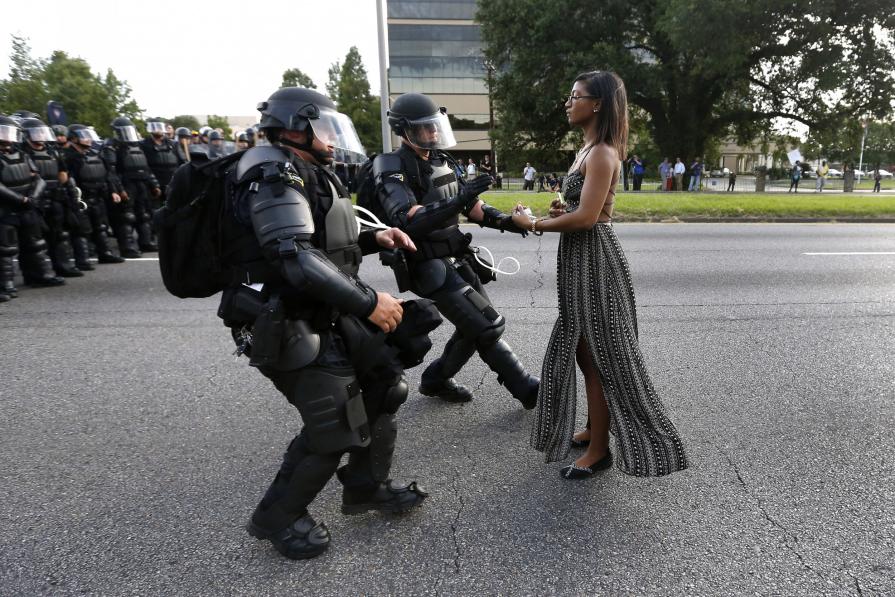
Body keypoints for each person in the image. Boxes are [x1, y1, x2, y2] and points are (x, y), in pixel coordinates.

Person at [219, 87, 432, 560]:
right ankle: (277, 517)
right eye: (326, 129)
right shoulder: (272, 172)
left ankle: (365, 486)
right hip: (283, 317)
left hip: (320, 307)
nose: (334, 140)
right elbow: (295, 257)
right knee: (335, 423)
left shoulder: (303, 170)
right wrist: (367, 301)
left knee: (385, 385)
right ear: (297, 127)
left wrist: (378, 236)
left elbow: (322, 235)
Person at [510, 71, 688, 479]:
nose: (568, 103)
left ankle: (600, 450)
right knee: (582, 349)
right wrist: (561, 211)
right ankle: (595, 427)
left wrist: (533, 223)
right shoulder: (587, 149)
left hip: (595, 260)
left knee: (599, 356)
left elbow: (589, 218)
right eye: (569, 96)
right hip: (580, 258)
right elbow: (579, 210)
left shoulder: (604, 152)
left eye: (576, 96)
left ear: (598, 104)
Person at [371, 92, 539, 407]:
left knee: (474, 326)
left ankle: (436, 379)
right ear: (405, 130)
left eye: (436, 126)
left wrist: (509, 222)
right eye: (426, 127)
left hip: (456, 256)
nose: (434, 132)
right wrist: (459, 200)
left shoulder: (442, 160)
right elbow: (407, 219)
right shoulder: (391, 165)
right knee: (487, 325)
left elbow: (474, 207)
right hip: (426, 263)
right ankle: (527, 389)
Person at [0, 114, 64, 298]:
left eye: (8, 131)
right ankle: (5, 284)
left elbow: (38, 178)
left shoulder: (21, 154)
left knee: (35, 243)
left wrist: (33, 197)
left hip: (27, 205)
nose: (6, 136)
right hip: (5, 208)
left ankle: (39, 275)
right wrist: (21, 200)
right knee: (5, 248)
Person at [20, 117, 84, 277]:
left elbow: (63, 174)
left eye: (42, 132)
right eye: (36, 133)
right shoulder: (23, 152)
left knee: (59, 235)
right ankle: (35, 274)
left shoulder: (52, 151)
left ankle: (63, 266)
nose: (40, 136)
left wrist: (67, 194)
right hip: (34, 200)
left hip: (55, 197)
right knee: (34, 240)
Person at [63, 125, 126, 265]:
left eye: (88, 135)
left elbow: (108, 174)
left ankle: (105, 254)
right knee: (81, 230)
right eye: (84, 136)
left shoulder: (95, 154)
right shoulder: (68, 156)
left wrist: (113, 191)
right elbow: (67, 179)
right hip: (80, 199)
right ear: (73, 138)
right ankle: (83, 260)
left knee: (101, 227)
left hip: (98, 197)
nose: (88, 139)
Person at [103, 117, 161, 252]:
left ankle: (146, 242)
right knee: (126, 217)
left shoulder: (137, 146)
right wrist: (119, 189)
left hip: (141, 184)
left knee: (144, 215)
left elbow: (146, 167)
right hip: (126, 184)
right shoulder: (112, 147)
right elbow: (111, 171)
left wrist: (154, 184)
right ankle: (127, 246)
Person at [141, 119, 183, 199]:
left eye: (159, 127)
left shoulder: (174, 144)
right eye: (155, 127)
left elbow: (183, 163)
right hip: (153, 186)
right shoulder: (143, 144)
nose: (158, 130)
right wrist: (154, 184)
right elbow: (143, 166)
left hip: (173, 184)